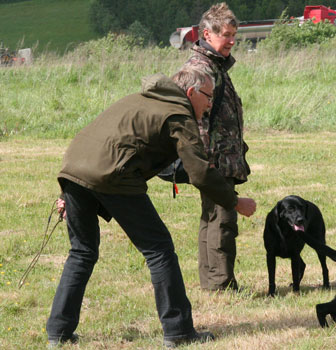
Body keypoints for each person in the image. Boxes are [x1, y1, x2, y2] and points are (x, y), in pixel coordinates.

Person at [46, 66, 256, 348]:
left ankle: (58, 333)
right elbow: (200, 173)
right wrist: (235, 201)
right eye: (208, 96)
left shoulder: (142, 99)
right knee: (159, 250)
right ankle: (179, 331)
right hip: (111, 175)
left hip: (73, 168)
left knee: (81, 252)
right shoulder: (178, 113)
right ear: (191, 92)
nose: (210, 103)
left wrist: (69, 189)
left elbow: (105, 144)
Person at [185, 2, 249, 292]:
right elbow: (195, 122)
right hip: (213, 161)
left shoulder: (215, 66)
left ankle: (213, 283)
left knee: (212, 218)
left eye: (234, 34)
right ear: (207, 34)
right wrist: (205, 163)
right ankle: (221, 285)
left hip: (222, 160)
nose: (232, 41)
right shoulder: (201, 70)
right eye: (226, 34)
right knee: (221, 221)